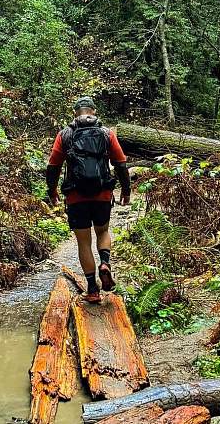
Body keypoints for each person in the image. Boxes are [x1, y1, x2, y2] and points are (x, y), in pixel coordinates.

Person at [46, 97, 131, 303]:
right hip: (102, 194)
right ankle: (105, 263)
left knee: (84, 242)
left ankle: (92, 289)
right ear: (93, 111)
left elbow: (53, 166)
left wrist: (52, 191)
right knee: (102, 231)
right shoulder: (106, 133)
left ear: (76, 113)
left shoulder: (65, 134)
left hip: (76, 196)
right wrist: (126, 190)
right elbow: (120, 164)